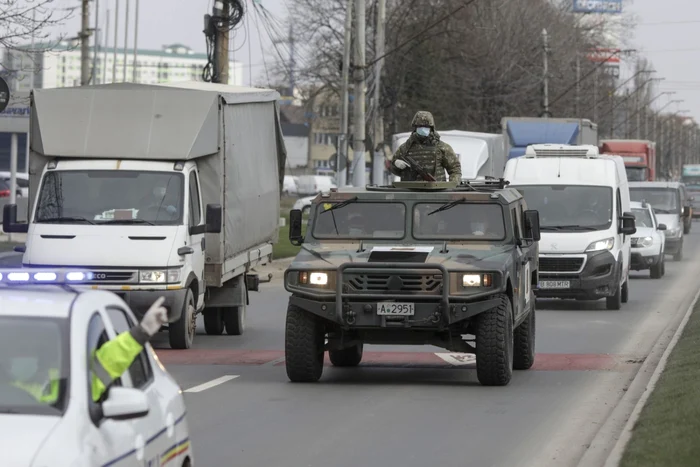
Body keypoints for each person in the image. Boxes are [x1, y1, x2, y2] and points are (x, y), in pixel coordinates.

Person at [7, 297, 168, 403]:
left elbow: (109, 360)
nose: (23, 356)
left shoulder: (72, 382)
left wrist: (141, 333)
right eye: (20, 349)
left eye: (29, 349)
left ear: (44, 352)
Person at [387, 111, 462, 182]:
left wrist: (452, 187)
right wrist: (396, 165)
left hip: (436, 192)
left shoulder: (442, 147)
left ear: (431, 128)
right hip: (410, 191)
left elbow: (455, 169)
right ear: (415, 127)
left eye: (426, 126)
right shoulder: (405, 148)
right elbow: (394, 169)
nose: (423, 129)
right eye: (420, 126)